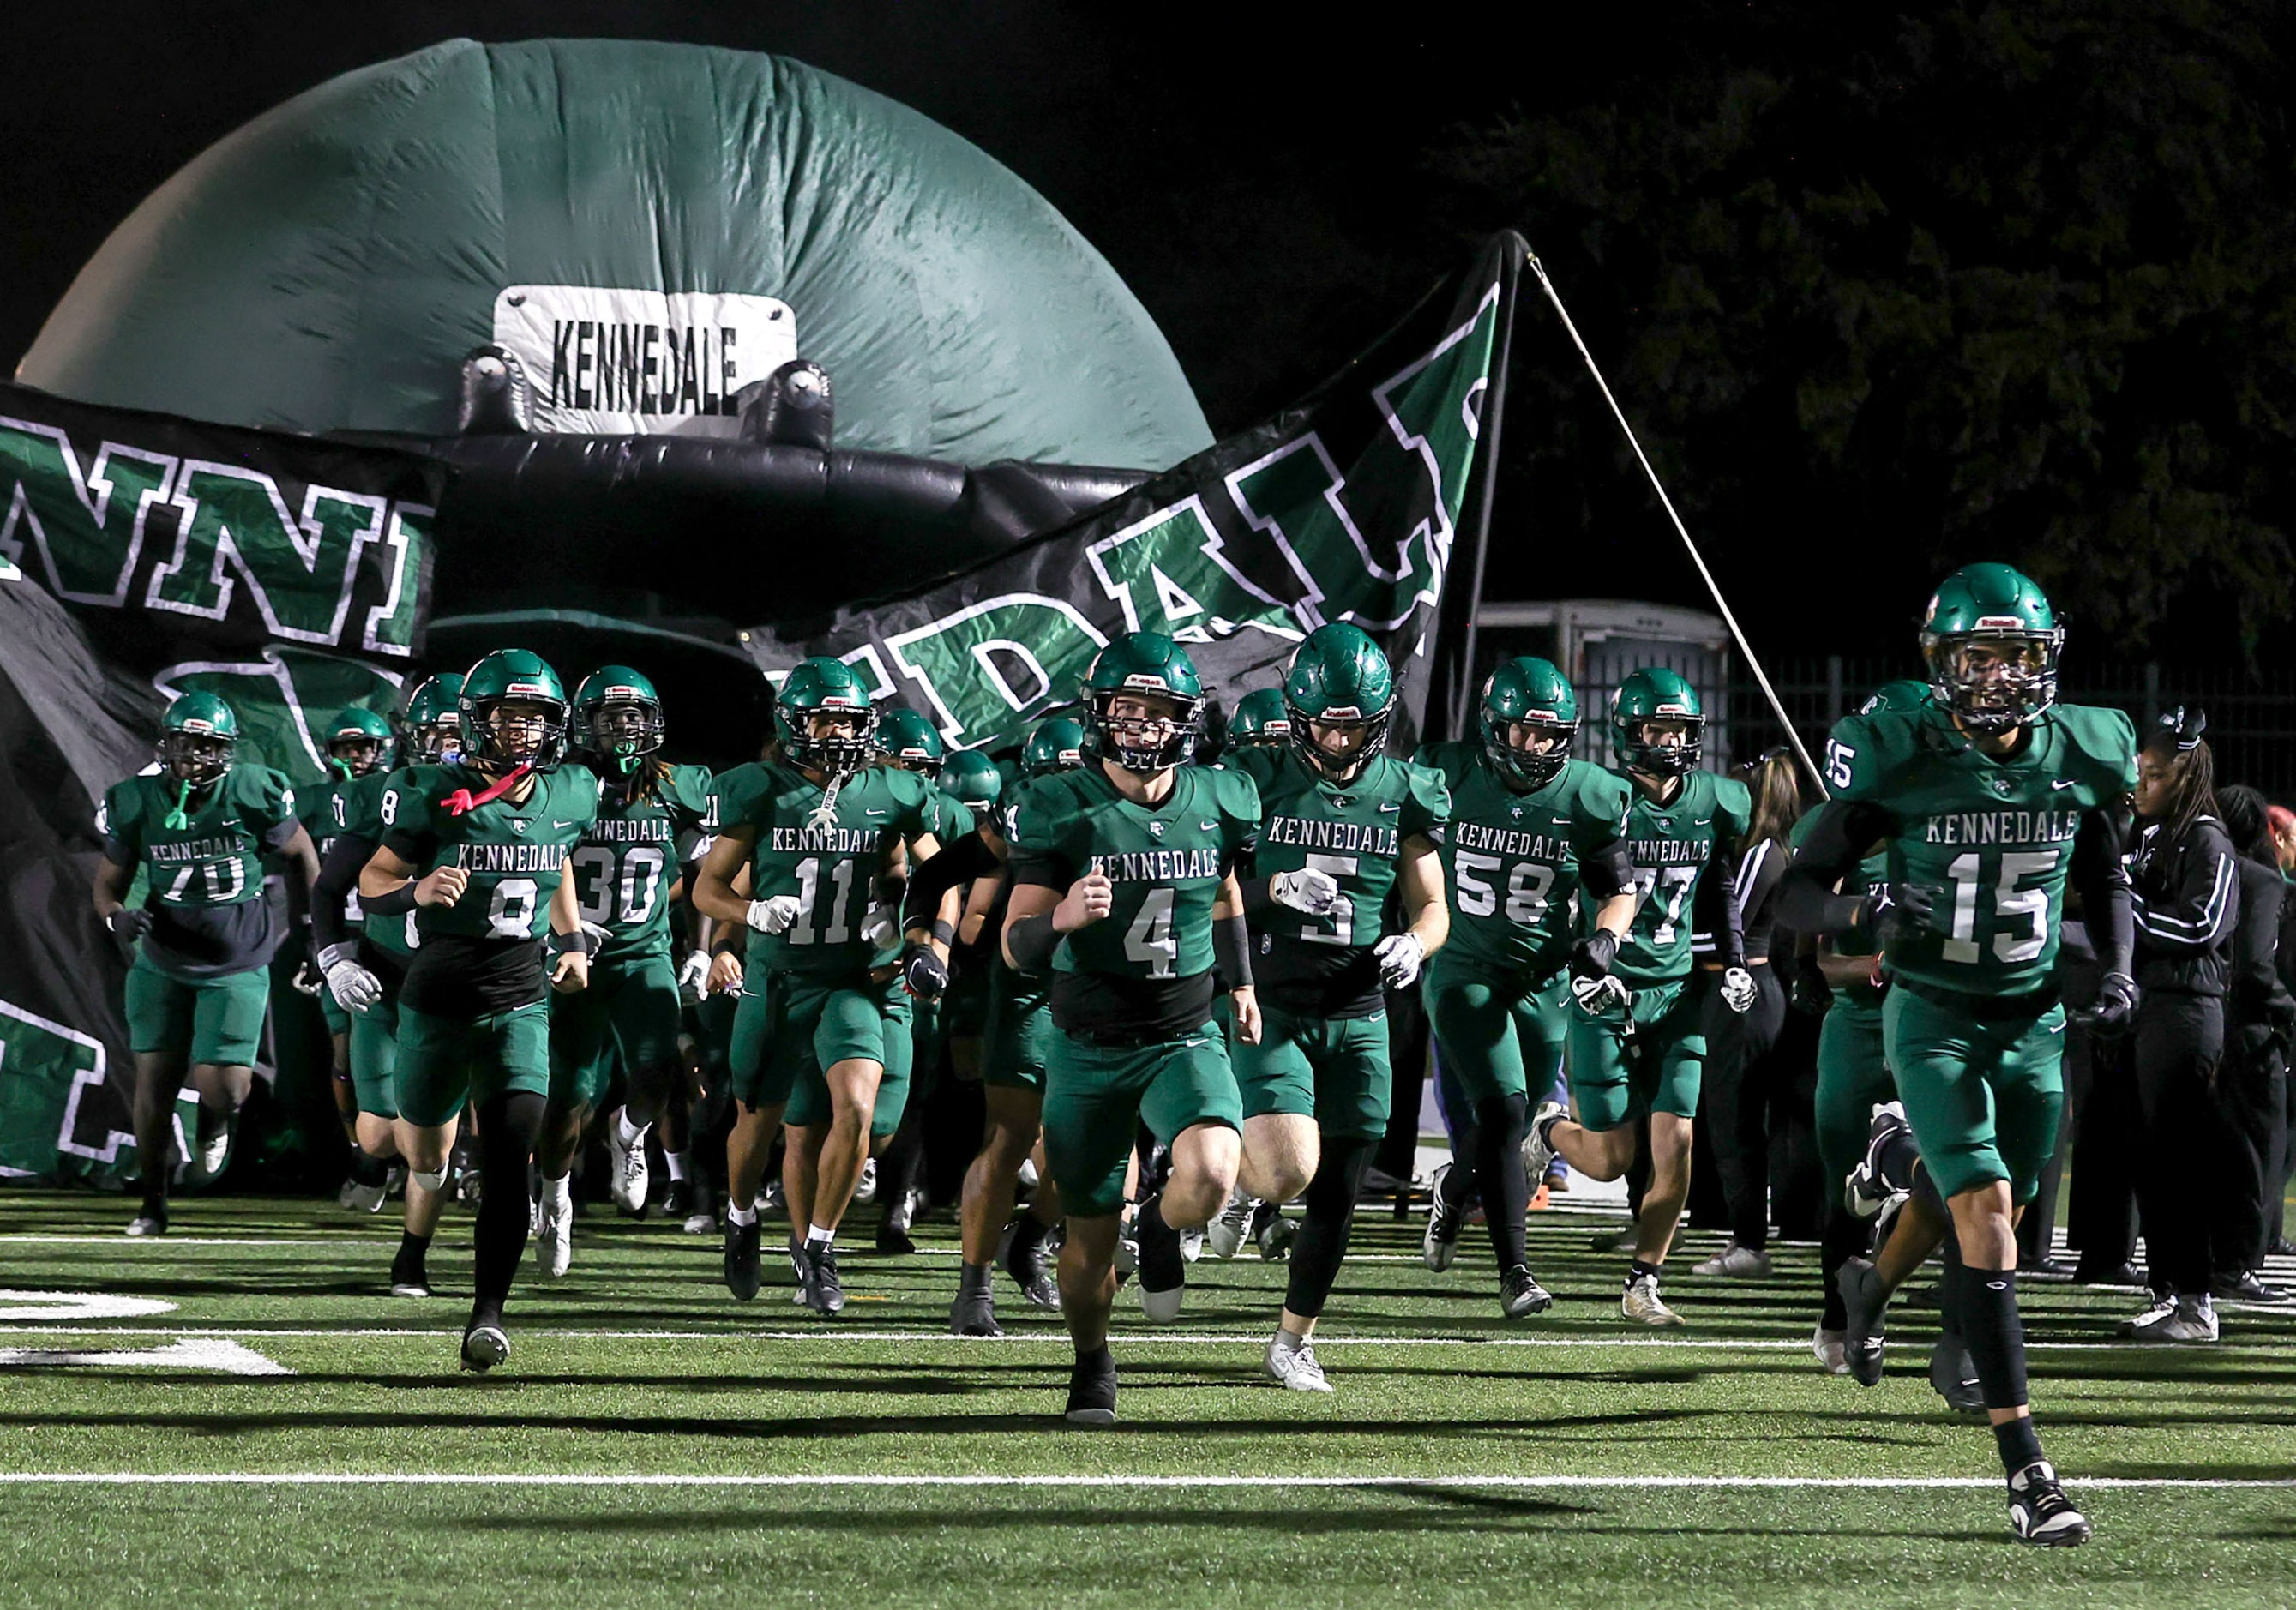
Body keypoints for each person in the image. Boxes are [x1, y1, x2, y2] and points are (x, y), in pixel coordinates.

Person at [1776, 562, 2135, 1547]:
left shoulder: (2083, 749)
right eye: (1975, 656)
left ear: (2044, 659)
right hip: (1931, 1014)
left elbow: (2103, 874)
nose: (1995, 677)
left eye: (2015, 655)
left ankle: (1868, 1286)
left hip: (2029, 1022)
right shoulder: (1895, 753)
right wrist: (1867, 908)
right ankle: (2027, 1472)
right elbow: (1796, 891)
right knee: (1986, 1221)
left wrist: (2115, 968)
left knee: (1969, 1197)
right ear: (1938, 662)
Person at [1002, 632, 1260, 1422]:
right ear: (1101, 715)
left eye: (1159, 714)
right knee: (1084, 1257)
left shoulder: (1221, 798)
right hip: (1086, 1044)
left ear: (1184, 721)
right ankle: (1091, 1360)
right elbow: (1016, 945)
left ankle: (1154, 1219)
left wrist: (1242, 981)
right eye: (1129, 711)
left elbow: (1223, 896)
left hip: (1183, 1033)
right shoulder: (1059, 805)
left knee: (1216, 1173)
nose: (1144, 728)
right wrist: (1064, 918)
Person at [358, 650, 604, 1371]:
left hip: (519, 1001)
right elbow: (373, 882)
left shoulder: (569, 791)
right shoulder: (431, 790)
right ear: (478, 718)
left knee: (508, 1162)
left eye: (538, 715)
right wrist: (416, 890)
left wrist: (570, 939)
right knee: (426, 1153)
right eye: (510, 713)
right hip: (437, 1003)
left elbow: (552, 854)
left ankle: (486, 1317)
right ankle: (415, 1239)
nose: (525, 728)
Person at [690, 659, 955, 1317]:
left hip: (849, 979)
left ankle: (820, 1248)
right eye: (826, 719)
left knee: (859, 1110)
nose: (839, 733)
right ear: (794, 723)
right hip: (778, 979)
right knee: (757, 1121)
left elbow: (943, 873)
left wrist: (918, 928)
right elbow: (707, 887)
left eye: (850, 720)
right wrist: (749, 916)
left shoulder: (889, 790)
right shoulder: (763, 789)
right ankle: (742, 1216)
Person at [1222, 625, 1449, 1391]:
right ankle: (1209, 1187)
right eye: (1326, 720)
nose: (1339, 735)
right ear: (1298, 712)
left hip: (1360, 1012)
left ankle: (1292, 1340)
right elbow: (1201, 879)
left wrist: (1417, 943)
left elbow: (1433, 906)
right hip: (1275, 1002)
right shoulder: (1255, 776)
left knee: (1340, 1190)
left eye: (1354, 721)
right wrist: (1272, 890)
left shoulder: (1405, 789)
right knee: (1288, 1174)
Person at [1525, 670, 1756, 1325]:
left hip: (1676, 992)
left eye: (1679, 728)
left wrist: (1732, 960)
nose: (1669, 740)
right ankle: (1549, 1128)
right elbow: (1560, 890)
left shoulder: (1715, 802)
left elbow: (1720, 886)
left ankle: (1644, 1281)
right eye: (1656, 728)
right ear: (1629, 733)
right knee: (1609, 1159)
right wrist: (1577, 959)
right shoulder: (1601, 799)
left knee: (1677, 1143)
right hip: (1605, 991)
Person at [1415, 657, 1638, 1317]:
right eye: (1522, 733)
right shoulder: (1446, 773)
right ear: (1494, 726)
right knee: (1506, 1109)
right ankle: (1515, 1271)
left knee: (1511, 1125)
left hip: (1543, 976)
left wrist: (1608, 938)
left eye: (1548, 735)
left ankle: (1454, 1187)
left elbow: (1616, 889)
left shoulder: (1589, 794)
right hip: (1464, 966)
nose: (1535, 747)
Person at [93, 693, 319, 1236]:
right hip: (164, 960)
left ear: (226, 751)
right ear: (165, 744)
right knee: (154, 1082)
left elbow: (303, 856)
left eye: (206, 746)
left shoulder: (251, 792)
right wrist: (115, 917)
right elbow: (107, 885)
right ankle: (153, 1203)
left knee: (227, 1089)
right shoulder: (136, 799)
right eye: (184, 744)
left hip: (236, 960)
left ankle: (214, 1123)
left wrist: (314, 930)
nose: (193, 756)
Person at [532, 668, 714, 1277]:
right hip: (571, 956)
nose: (625, 729)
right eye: (611, 719)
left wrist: (702, 947)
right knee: (567, 1094)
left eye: (634, 717)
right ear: (586, 726)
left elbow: (708, 878)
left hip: (643, 953)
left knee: (659, 1071)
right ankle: (555, 1197)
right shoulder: (562, 785)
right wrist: (563, 931)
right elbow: (532, 862)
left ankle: (629, 1137)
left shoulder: (678, 787)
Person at [917, 717, 1087, 1337]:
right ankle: (974, 1285)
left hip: (1109, 997)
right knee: (1012, 1137)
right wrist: (929, 939)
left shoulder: (1145, 802)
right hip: (1029, 991)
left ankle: (1031, 1236)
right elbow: (944, 880)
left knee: (1102, 1161)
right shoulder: (1024, 815)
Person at [310, 675, 462, 1296]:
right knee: (379, 1133)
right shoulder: (383, 796)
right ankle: (371, 1162)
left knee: (432, 1151)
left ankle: (412, 1257)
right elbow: (327, 887)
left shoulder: (516, 798)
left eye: (458, 733)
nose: (448, 747)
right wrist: (334, 960)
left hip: (462, 986)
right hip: (388, 978)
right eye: (436, 734)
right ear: (412, 738)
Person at [2106, 707, 2239, 1340]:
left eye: (2155, 776)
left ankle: (2197, 1301)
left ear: (2185, 779)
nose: (2142, 786)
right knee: (2147, 1156)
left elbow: (2200, 927)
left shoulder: (2208, 840)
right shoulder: (2148, 835)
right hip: (2147, 1012)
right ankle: (2167, 1288)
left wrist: (2129, 912)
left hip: (2187, 1014)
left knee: (2180, 1159)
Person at [1693, 746, 1806, 1277]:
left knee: (1736, 1122)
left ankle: (1748, 1243)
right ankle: (1743, 1235)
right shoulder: (1767, 849)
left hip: (1743, 993)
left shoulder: (1764, 851)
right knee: (1730, 1120)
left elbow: (1725, 922)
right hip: (1744, 993)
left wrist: (1659, 943)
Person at [291, 707, 399, 1211]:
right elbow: (308, 876)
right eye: (345, 748)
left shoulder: (404, 793)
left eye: (365, 746)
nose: (355, 756)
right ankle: (365, 1154)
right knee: (344, 1054)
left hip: (395, 937)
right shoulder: (312, 802)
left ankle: (448, 1159)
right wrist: (318, 945)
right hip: (339, 940)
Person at [2210, 784, 2292, 1302]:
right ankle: (2239, 1262)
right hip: (2246, 1032)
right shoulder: (2260, 881)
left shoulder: (2199, 869)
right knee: (2257, 1150)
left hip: (2197, 1019)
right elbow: (2256, 968)